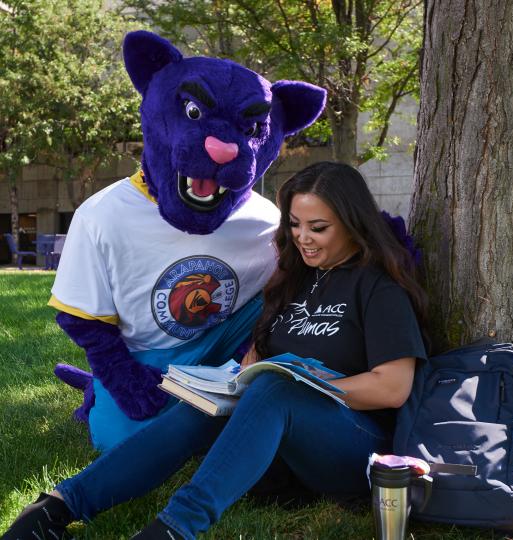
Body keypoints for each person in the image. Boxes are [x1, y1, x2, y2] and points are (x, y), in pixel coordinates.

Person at [2, 161, 427, 540]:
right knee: (204, 407)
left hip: (354, 445)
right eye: (295, 224)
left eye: (318, 228)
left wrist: (306, 381)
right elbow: (259, 355)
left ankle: (176, 527)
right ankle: (57, 507)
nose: (303, 238)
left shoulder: (377, 286)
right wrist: (249, 371)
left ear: (353, 224)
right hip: (282, 439)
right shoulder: (296, 279)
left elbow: (392, 387)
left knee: (274, 391)